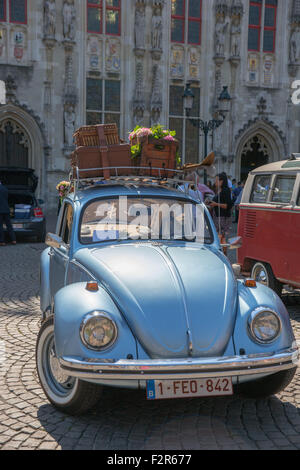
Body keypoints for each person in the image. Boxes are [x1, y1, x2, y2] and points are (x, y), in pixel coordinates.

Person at [206, 173, 233, 254]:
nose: (215, 182)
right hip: (218, 216)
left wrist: (215, 204)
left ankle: (222, 254)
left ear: (221, 181)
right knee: (221, 237)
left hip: (223, 217)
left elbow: (227, 205)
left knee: (220, 237)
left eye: (216, 180)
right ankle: (223, 254)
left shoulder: (226, 190)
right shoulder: (219, 190)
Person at [0, 180, 16, 246]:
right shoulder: (5, 189)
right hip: (6, 210)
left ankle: (2, 241)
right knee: (9, 225)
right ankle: (13, 240)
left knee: (0, 226)